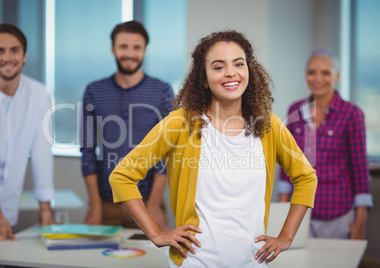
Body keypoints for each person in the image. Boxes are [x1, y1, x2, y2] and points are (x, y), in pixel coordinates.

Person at [110, 30, 317, 267]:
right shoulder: (180, 124)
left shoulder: (269, 126)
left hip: (253, 263)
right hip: (195, 263)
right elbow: (122, 177)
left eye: (238, 64)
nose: (230, 72)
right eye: (218, 67)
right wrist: (157, 234)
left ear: (249, 70)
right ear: (204, 79)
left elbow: (306, 178)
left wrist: (286, 237)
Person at [80, 21, 174, 231]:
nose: (130, 53)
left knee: (150, 263)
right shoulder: (94, 91)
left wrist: (154, 203)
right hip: (106, 202)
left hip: (147, 202)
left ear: (144, 51)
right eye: (123, 46)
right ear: (113, 49)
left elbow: (167, 152)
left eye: (136, 47)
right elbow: (87, 151)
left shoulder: (162, 92)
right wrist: (94, 204)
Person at [279, 48, 373, 239]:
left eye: (325, 72)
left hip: (337, 213)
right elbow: (286, 163)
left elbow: (360, 169)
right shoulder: (295, 109)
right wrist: (282, 211)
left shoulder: (352, 114)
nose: (317, 78)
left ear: (337, 75)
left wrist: (360, 221)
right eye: (312, 72)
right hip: (298, 211)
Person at [0, 23, 54, 251]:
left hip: (8, 210)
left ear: (24, 55)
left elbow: (42, 151)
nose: (7, 57)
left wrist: (45, 207)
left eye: (14, 50)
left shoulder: (39, 94)